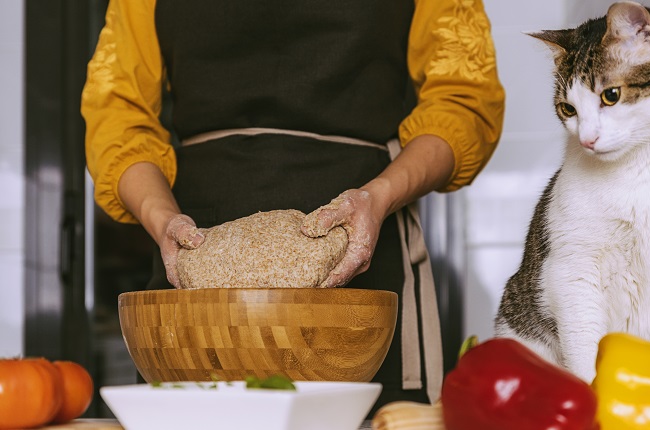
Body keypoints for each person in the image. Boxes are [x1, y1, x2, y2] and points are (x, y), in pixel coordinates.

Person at [82, 0, 504, 411]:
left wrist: (378, 197)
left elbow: (462, 102)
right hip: (196, 248)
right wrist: (161, 218)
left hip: (363, 245)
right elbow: (117, 112)